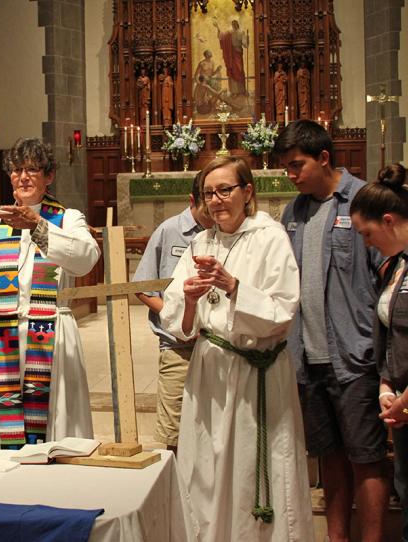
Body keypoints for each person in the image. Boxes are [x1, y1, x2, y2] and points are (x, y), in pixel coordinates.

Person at [159, 156, 313, 540]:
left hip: (254, 374)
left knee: (249, 468)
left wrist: (234, 287)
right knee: (207, 469)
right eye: (209, 193)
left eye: (225, 190)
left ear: (247, 192)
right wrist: (191, 300)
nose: (216, 200)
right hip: (210, 371)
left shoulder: (270, 236)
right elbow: (177, 319)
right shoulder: (200, 241)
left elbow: (282, 310)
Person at [0, 138, 100, 449]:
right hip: (2, 333)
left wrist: (38, 225)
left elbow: (86, 258)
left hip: (51, 331)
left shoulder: (67, 218)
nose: (23, 177)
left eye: (32, 170)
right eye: (16, 170)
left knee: (55, 418)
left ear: (49, 176)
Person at [276, 119, 389, 542]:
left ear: (324, 158)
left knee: (366, 457)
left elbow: (387, 274)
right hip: (308, 358)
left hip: (355, 357)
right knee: (329, 459)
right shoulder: (294, 211)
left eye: (297, 165)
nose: (291, 175)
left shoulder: (363, 200)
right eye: (286, 167)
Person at [133, 175, 213, 452]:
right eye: (206, 207)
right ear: (192, 200)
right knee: (175, 430)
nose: (212, 214)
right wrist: (174, 316)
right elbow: (142, 287)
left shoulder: (224, 230)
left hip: (218, 346)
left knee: (213, 428)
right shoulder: (169, 231)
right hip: (178, 347)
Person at [350, 163, 408, 542]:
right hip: (401, 407)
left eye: (367, 234)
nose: (366, 243)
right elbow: (389, 332)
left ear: (388, 221)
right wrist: (386, 384)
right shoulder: (394, 266)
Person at [213, 19, 248, 96]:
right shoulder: (229, 33)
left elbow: (245, 45)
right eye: (233, 24)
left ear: (237, 24)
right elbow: (221, 37)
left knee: (239, 70)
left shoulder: (241, 32)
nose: (234, 25)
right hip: (230, 55)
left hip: (237, 54)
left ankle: (242, 91)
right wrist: (218, 28)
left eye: (235, 24)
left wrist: (247, 39)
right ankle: (234, 92)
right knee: (232, 71)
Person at [193, 50, 222, 115]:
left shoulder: (212, 63)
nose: (210, 53)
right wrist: (199, 83)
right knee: (212, 93)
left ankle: (213, 106)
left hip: (209, 81)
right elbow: (196, 75)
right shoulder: (202, 63)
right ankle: (208, 106)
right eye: (209, 53)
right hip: (203, 82)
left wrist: (217, 70)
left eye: (210, 52)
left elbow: (212, 74)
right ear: (205, 55)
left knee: (215, 90)